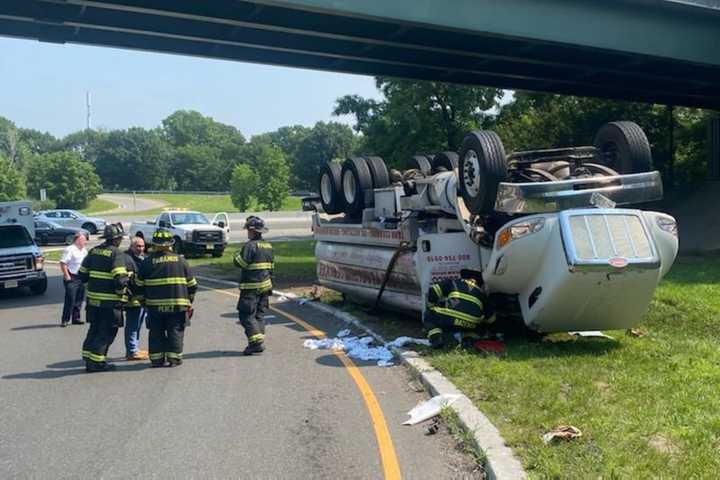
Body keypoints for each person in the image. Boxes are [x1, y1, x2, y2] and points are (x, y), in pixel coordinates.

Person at [135, 229, 197, 368]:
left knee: (156, 331)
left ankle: (157, 359)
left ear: (155, 244)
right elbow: (192, 285)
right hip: (177, 306)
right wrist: (189, 301)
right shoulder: (181, 261)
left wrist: (143, 302)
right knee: (175, 330)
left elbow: (138, 286)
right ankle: (174, 359)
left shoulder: (147, 262)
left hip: (154, 307)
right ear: (170, 244)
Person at [78, 224, 129, 372]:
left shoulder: (93, 251)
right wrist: (121, 295)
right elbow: (120, 279)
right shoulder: (116, 253)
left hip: (93, 302)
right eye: (120, 238)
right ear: (116, 239)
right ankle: (97, 363)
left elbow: (82, 274)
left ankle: (88, 359)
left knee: (94, 329)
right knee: (106, 332)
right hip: (109, 303)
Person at [423, 269, 494, 349]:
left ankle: (437, 339)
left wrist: (432, 305)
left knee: (429, 314)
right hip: (471, 322)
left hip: (450, 317)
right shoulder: (482, 294)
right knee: (479, 324)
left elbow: (433, 290)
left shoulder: (454, 282)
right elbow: (491, 319)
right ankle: (468, 341)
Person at [233, 216, 274, 355]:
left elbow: (241, 263)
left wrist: (236, 255)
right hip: (265, 287)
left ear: (252, 231)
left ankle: (256, 343)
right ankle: (258, 341)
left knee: (246, 315)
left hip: (251, 288)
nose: (247, 233)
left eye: (248, 231)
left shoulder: (250, 246)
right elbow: (271, 267)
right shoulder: (268, 246)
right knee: (259, 316)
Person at [123, 236, 148, 360]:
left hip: (142, 299)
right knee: (132, 324)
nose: (141, 248)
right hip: (132, 299)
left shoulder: (142, 258)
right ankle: (131, 351)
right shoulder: (127, 259)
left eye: (143, 246)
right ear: (132, 246)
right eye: (138, 246)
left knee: (138, 324)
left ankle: (135, 348)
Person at [59, 232, 88, 327]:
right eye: (83, 240)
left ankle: (76, 318)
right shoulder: (70, 249)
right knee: (70, 298)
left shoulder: (84, 250)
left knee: (79, 298)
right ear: (77, 240)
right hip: (72, 276)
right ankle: (65, 319)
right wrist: (67, 275)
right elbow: (63, 263)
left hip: (81, 277)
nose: (85, 242)